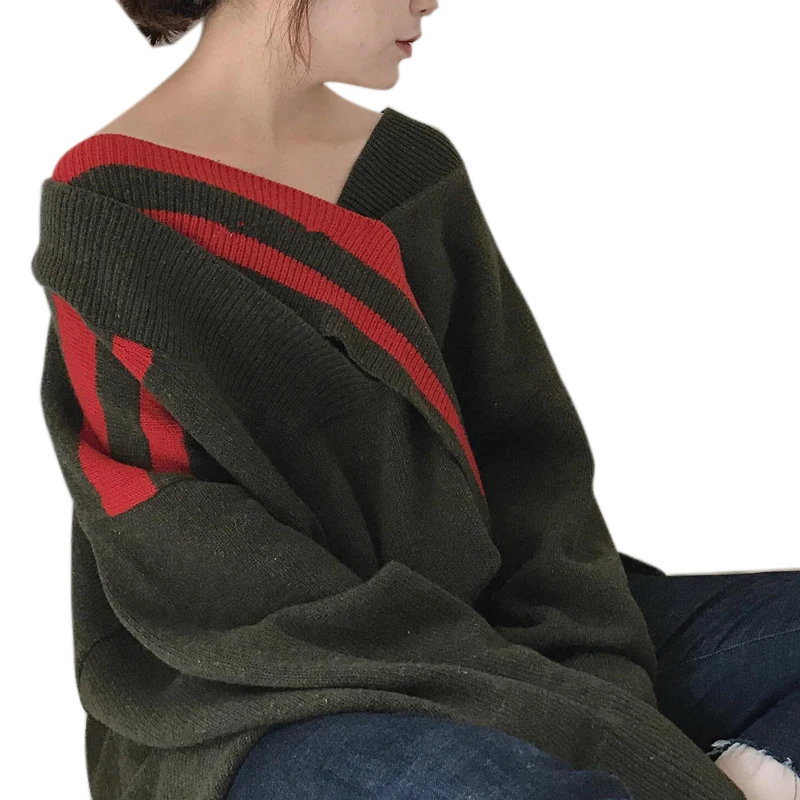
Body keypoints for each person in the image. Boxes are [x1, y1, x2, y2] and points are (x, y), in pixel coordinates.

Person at [33, 1, 799, 799]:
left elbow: (531, 463)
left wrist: (590, 669)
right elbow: (189, 556)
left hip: (504, 624)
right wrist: (538, 701)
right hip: (262, 690)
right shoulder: (110, 213)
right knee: (489, 784)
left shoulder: (411, 173)